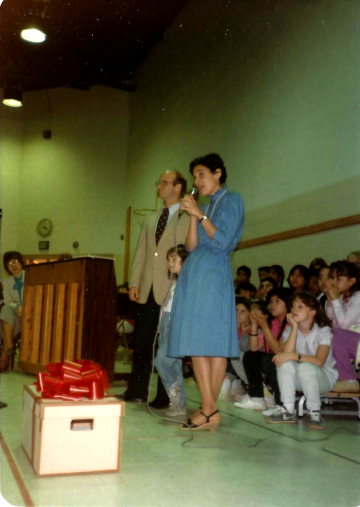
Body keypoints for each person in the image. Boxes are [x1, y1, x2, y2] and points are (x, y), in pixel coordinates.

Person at [168, 153, 244, 431]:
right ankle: (208, 408)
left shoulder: (231, 200)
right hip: (195, 277)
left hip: (213, 277)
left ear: (218, 173)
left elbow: (223, 240)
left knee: (211, 344)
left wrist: (201, 215)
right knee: (198, 342)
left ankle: (209, 409)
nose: (197, 181)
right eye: (195, 177)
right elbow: (190, 247)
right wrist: (193, 216)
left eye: (201, 174)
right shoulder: (206, 208)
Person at [119, 170, 190, 406]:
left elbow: (189, 252)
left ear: (178, 188)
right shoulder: (151, 218)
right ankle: (137, 390)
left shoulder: (188, 216)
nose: (159, 186)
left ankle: (164, 394)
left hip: (172, 289)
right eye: (159, 182)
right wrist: (134, 281)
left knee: (167, 345)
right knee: (142, 341)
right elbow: (141, 251)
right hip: (147, 288)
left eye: (165, 182)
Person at [266, 293, 338, 430]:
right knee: (284, 362)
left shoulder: (323, 330)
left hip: (323, 378)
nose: (294, 310)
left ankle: (315, 413)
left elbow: (319, 361)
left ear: (312, 311)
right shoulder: (289, 329)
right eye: (293, 306)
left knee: (305, 367)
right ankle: (288, 410)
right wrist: (293, 328)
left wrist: (294, 356)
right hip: (300, 378)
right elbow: (286, 355)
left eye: (300, 306)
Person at [234, 287, 292, 411]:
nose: (272, 305)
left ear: (288, 303)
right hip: (274, 361)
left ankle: (281, 403)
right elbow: (254, 348)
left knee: (270, 359)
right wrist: (255, 324)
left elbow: (279, 351)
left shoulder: (291, 323)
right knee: (249, 355)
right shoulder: (273, 323)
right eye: (270, 301)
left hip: (289, 363)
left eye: (277, 301)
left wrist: (264, 326)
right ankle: (257, 399)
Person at [154, 245, 189, 417]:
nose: (169, 263)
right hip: (166, 322)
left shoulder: (188, 280)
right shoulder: (175, 283)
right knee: (174, 365)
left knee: (162, 358)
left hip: (178, 323)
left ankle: (174, 395)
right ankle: (178, 404)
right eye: (168, 260)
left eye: (174, 259)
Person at [326, 260, 360, 392]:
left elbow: (344, 326)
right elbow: (332, 326)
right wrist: (330, 303)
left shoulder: (358, 297)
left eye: (338, 279)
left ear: (352, 281)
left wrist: (334, 300)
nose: (333, 283)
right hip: (351, 342)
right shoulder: (340, 298)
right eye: (332, 278)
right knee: (328, 333)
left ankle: (349, 379)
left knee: (335, 333)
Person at [1, 251, 25, 371]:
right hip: (15, 316)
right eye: (9, 263)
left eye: (15, 262)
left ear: (20, 262)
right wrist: (18, 307)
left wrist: (25, 308)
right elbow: (8, 301)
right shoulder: (6, 282)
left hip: (30, 315)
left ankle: (5, 352)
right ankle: (8, 347)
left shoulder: (31, 275)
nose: (13, 265)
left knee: (5, 316)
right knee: (6, 310)